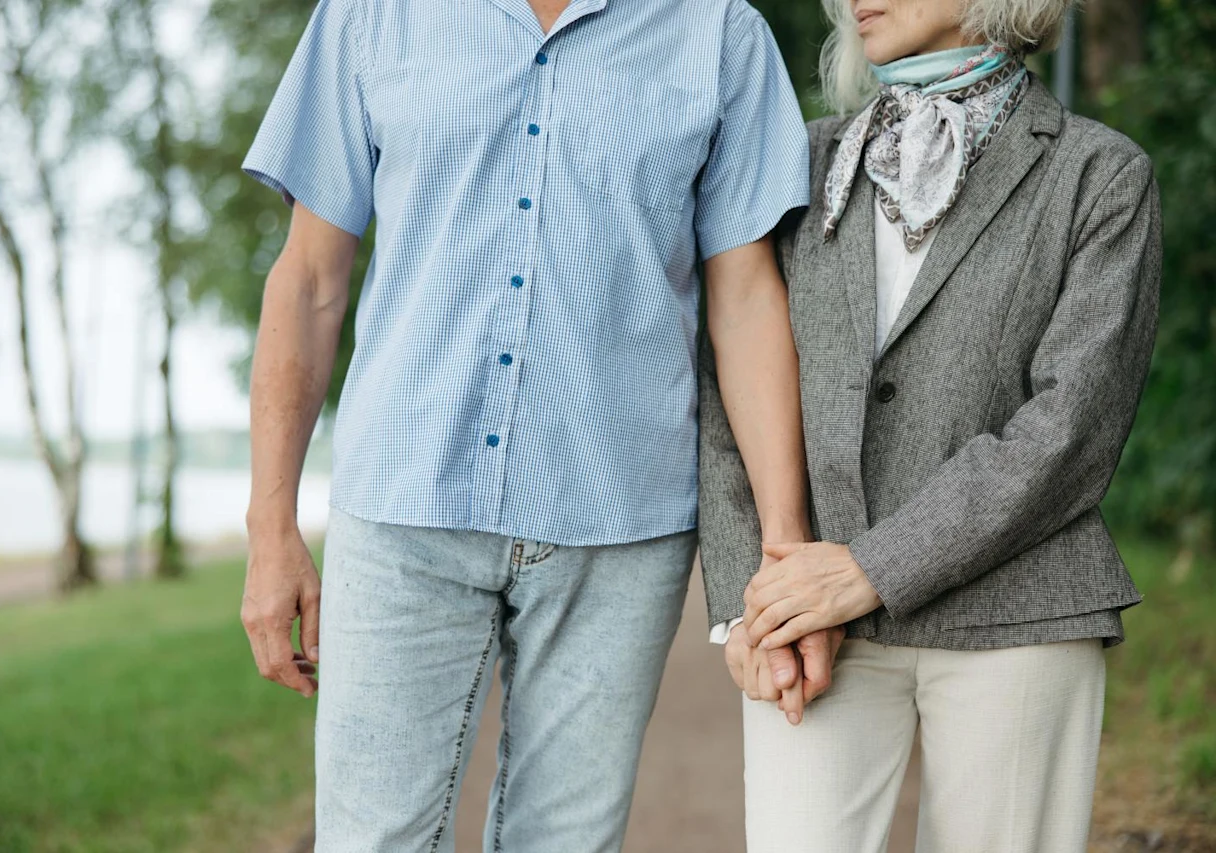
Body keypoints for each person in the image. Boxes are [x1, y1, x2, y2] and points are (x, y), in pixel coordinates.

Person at [237, 0, 818, 850]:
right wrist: (270, 526)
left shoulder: (718, 30)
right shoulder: (373, 14)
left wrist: (785, 544)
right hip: (404, 507)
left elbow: (746, 297)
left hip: (622, 523)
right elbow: (308, 282)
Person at [698, 0, 1163, 846]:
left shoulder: (1101, 176)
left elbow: (1071, 427)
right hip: (811, 620)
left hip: (1022, 613)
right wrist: (746, 602)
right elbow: (730, 382)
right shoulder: (798, 164)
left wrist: (873, 568)